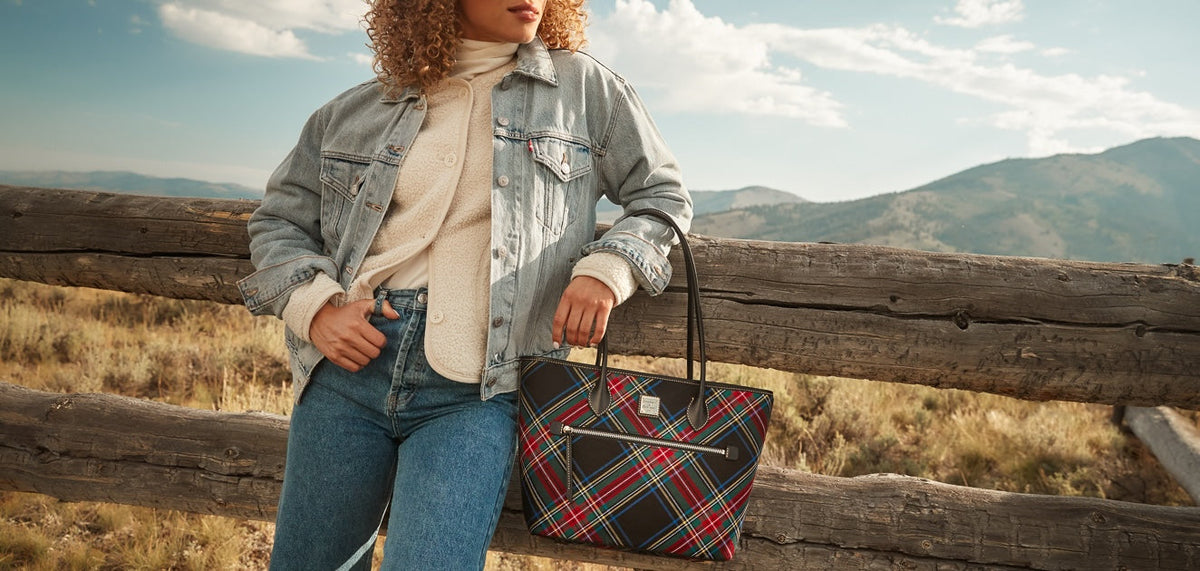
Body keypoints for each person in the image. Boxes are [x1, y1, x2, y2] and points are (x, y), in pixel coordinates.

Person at [237, 0, 692, 568]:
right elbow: (279, 221)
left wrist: (609, 268)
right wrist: (314, 307)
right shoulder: (358, 108)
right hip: (346, 374)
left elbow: (663, 195)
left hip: (479, 389)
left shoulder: (584, 90)